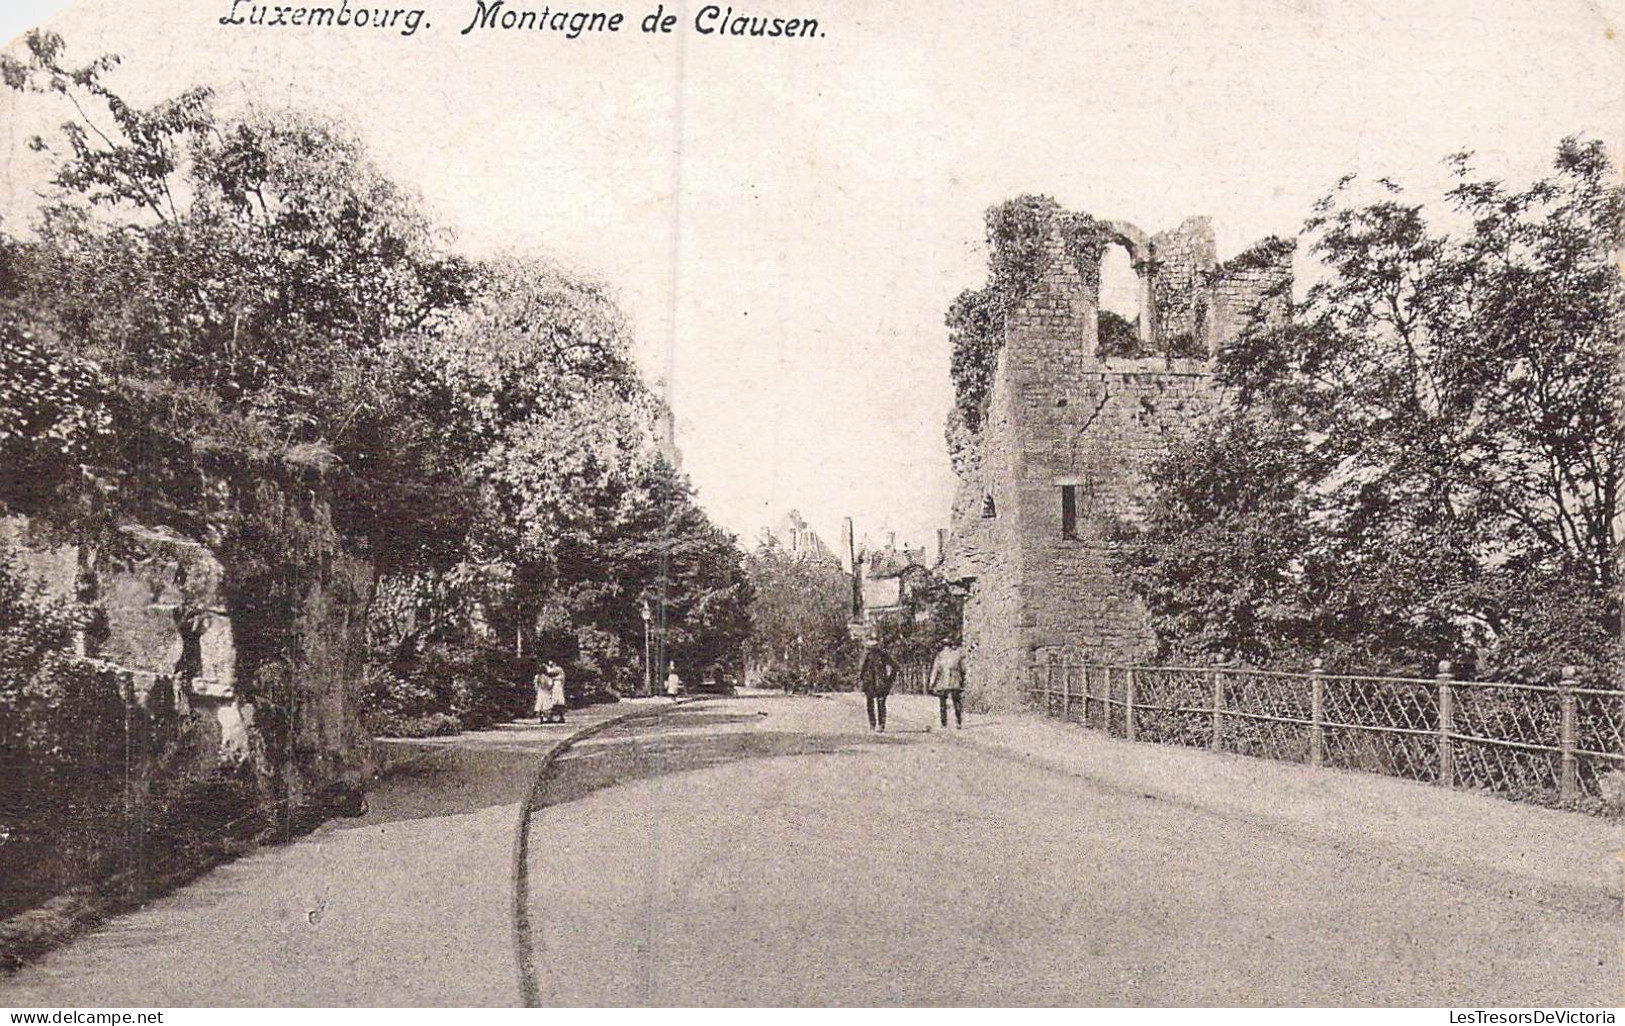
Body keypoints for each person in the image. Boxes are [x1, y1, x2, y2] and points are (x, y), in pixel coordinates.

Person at [856, 637, 897, 732]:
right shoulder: (869, 654)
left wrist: (890, 679)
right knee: (874, 702)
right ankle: (875, 724)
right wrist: (890, 679)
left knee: (877, 702)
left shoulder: (881, 654)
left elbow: (894, 666)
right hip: (872, 682)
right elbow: (861, 670)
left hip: (876, 682)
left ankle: (877, 724)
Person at [929, 640, 966, 729]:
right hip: (955, 680)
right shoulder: (957, 655)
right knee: (956, 701)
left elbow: (935, 670)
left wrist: (931, 683)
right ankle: (958, 722)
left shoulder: (940, 656)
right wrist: (962, 679)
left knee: (942, 703)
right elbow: (963, 669)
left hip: (943, 681)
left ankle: (944, 723)